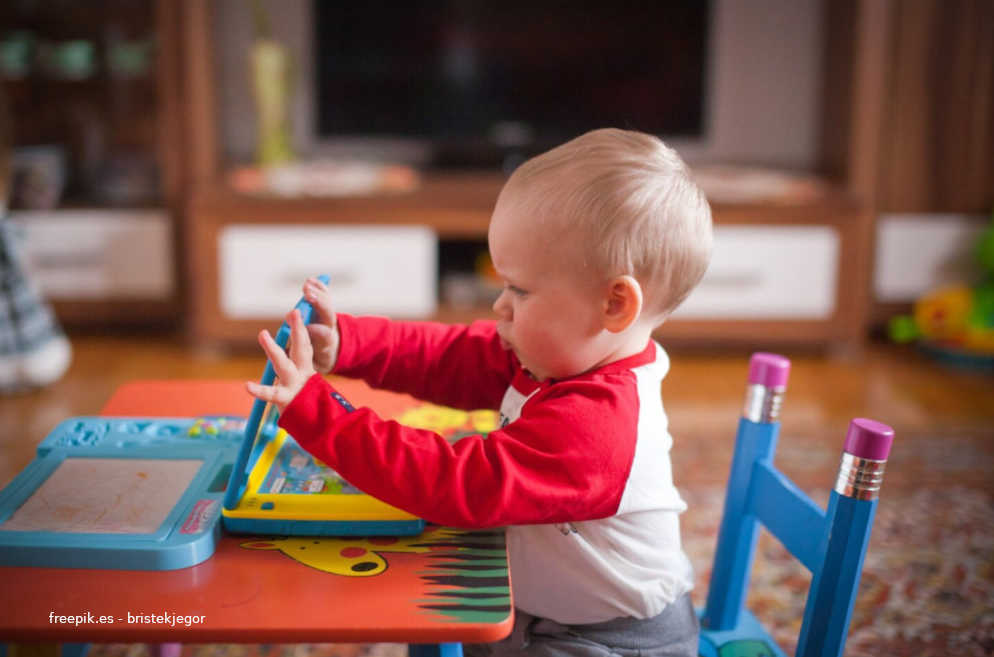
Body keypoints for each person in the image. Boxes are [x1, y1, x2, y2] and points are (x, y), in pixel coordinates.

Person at [247, 128, 713, 657]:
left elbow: (454, 484)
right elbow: (452, 356)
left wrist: (319, 414)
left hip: (609, 643)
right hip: (546, 613)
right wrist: (348, 346)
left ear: (613, 305)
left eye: (519, 290)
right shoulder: (559, 357)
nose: (500, 306)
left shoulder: (598, 428)